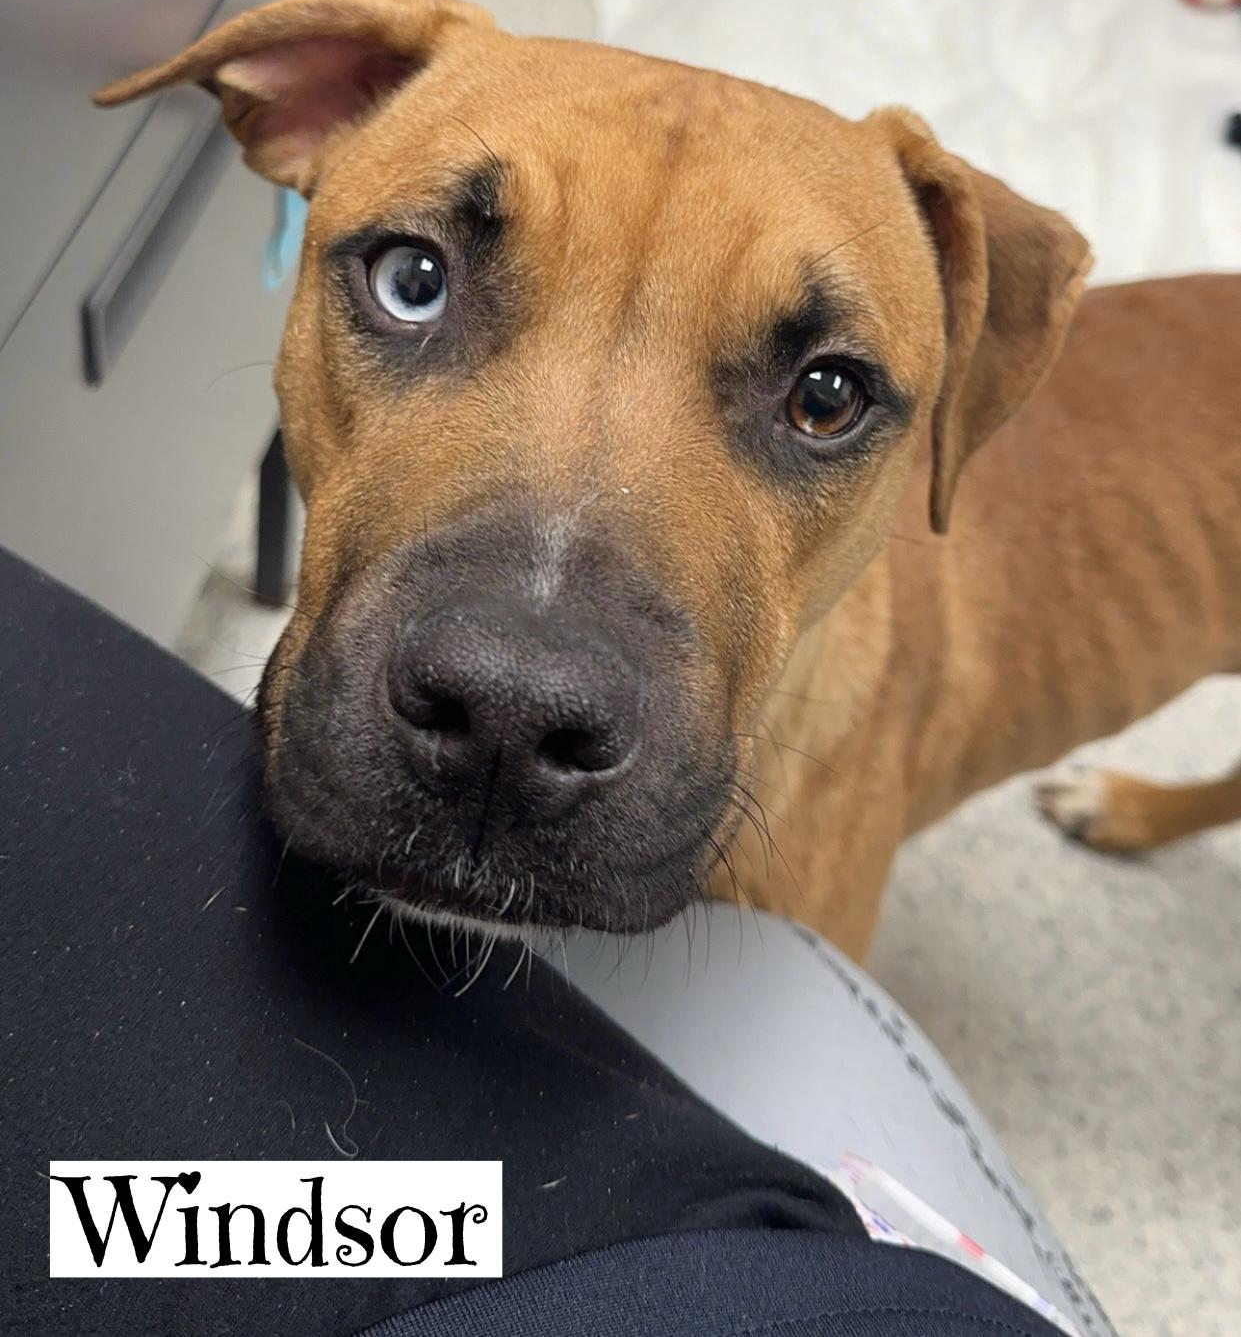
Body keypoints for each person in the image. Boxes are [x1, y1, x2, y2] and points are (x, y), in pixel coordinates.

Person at [0, 546, 1114, 1336]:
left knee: (97, 1214)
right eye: (415, 283)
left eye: (821, 397)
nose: (527, 674)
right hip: (732, 1251)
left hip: (684, 1270)